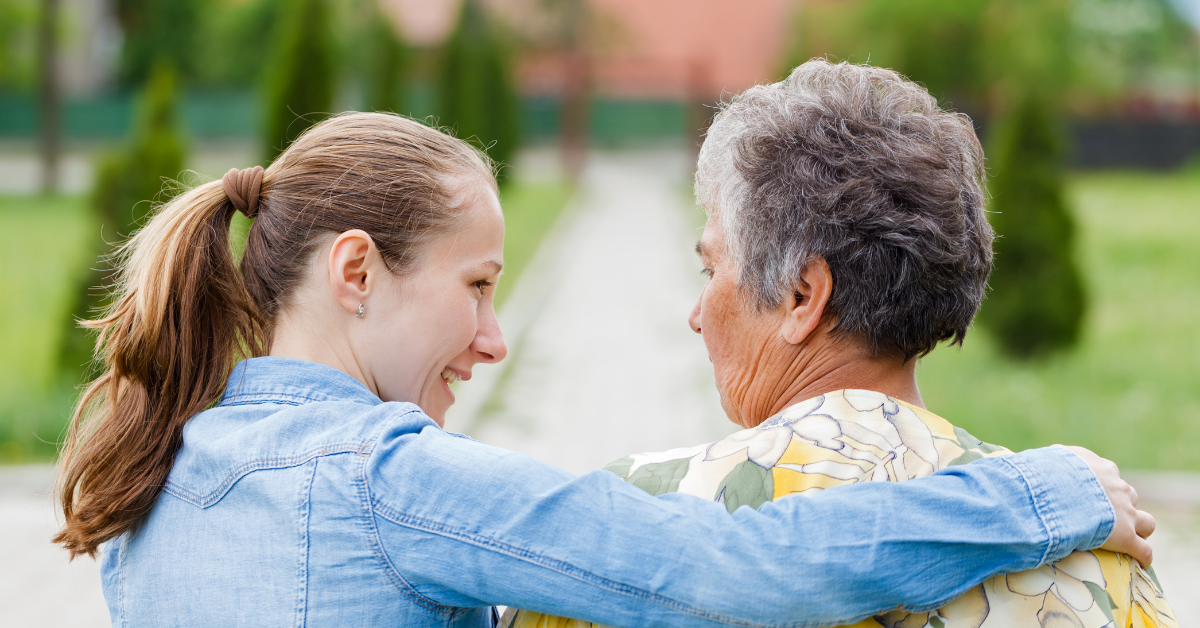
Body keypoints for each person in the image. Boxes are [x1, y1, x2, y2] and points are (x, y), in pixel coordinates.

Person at [53, 112, 1148, 627]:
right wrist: (1039, 492)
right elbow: (729, 568)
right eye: (478, 285)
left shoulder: (146, 480)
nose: (495, 337)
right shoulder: (389, 481)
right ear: (355, 270)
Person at [507, 60, 1174, 628]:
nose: (695, 316)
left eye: (711, 270)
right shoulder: (1103, 549)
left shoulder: (626, 529)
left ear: (803, 295)